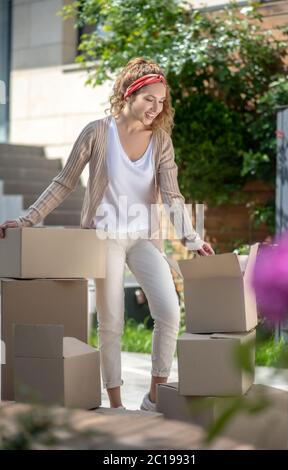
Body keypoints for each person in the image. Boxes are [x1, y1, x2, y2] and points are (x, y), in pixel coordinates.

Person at [0, 57, 214, 411]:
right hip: (105, 239)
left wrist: (192, 238)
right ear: (129, 93)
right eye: (149, 99)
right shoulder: (98, 132)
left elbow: (173, 195)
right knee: (112, 320)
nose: (156, 108)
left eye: (161, 101)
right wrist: (26, 219)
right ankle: (115, 404)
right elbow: (64, 181)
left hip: (144, 237)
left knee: (169, 311)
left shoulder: (160, 141)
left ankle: (154, 396)